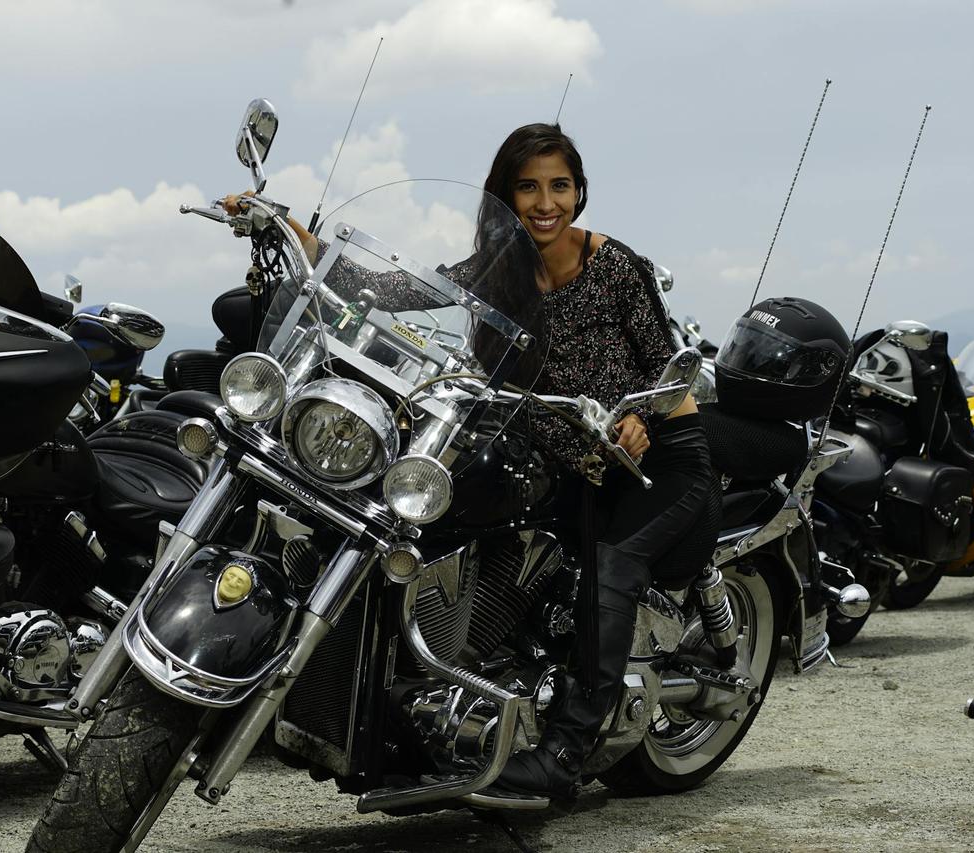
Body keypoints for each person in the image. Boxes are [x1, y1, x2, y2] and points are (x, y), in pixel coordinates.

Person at [226, 122, 720, 800]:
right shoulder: (499, 270)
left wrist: (640, 416)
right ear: (506, 195)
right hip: (564, 461)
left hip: (655, 461)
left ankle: (565, 753)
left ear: (579, 193)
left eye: (559, 186)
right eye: (528, 187)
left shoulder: (613, 266)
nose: (546, 203)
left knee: (610, 569)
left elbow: (670, 367)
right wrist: (291, 233)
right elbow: (395, 288)